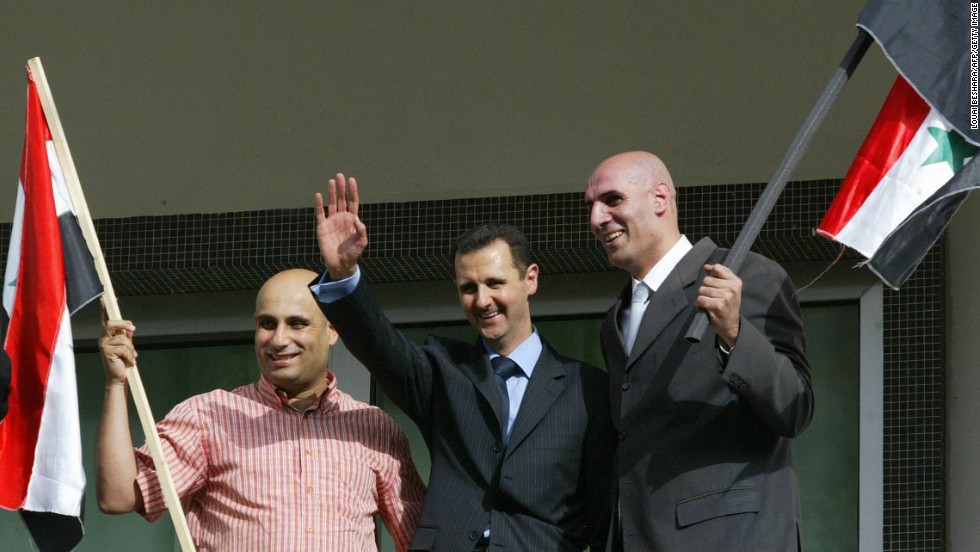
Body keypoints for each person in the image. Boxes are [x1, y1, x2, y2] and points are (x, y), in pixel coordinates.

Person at [311, 174, 615, 552]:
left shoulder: (589, 390)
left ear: (530, 279)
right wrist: (343, 274)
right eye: (468, 288)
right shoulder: (442, 372)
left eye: (494, 283)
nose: (482, 300)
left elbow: (605, 514)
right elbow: (377, 342)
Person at [96, 268, 425, 552]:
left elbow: (421, 538)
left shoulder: (373, 427)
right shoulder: (210, 416)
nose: (279, 339)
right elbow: (119, 496)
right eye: (268, 323)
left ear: (333, 330)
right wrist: (115, 384)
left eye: (297, 323)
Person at [584, 151, 814, 551]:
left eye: (612, 200)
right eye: (591, 207)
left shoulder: (747, 275)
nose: (597, 219)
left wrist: (734, 332)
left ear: (660, 199)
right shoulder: (615, 321)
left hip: (727, 539)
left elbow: (795, 407)